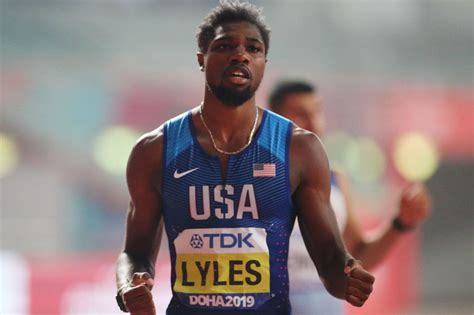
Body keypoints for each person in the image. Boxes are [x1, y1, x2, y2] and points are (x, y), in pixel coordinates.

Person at [115, 2, 375, 314]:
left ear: (264, 61)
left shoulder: (299, 149)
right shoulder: (155, 150)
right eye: (225, 46)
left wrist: (348, 276)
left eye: (253, 48)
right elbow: (134, 252)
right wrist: (129, 284)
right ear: (202, 59)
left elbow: (331, 260)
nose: (240, 55)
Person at [268, 80, 432, 315]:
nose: (313, 123)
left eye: (317, 112)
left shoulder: (335, 179)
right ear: (274, 120)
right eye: (301, 114)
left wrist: (400, 223)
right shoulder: (255, 179)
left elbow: (357, 255)